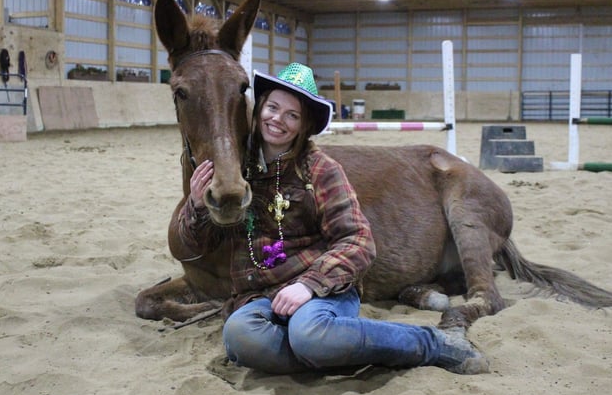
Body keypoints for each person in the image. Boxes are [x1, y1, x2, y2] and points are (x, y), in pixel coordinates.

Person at [176, 62, 489, 375]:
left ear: (303, 125)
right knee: (239, 338)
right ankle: (330, 349)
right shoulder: (239, 171)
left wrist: (309, 286)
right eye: (272, 107)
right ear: (259, 110)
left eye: (292, 115)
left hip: (322, 290)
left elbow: (359, 240)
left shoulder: (320, 171)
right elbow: (196, 247)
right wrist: (195, 204)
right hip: (263, 296)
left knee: (308, 333)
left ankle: (432, 342)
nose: (278, 120)